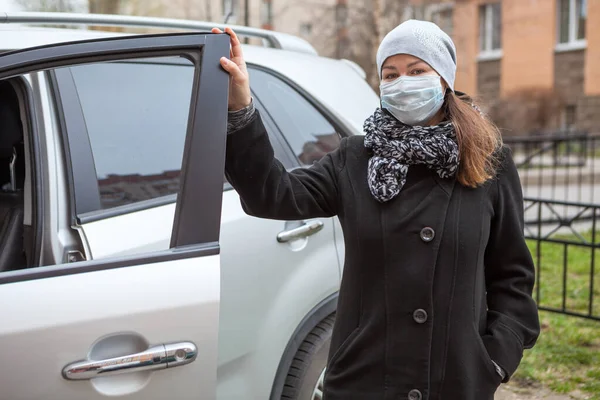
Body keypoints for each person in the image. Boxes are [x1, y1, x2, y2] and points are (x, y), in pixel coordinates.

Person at [213, 19, 540, 400]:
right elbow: (272, 194)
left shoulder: (489, 163)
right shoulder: (354, 158)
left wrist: (494, 360)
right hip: (364, 380)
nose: (403, 83)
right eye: (391, 74)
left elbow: (512, 277)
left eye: (417, 71)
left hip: (455, 382)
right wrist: (241, 110)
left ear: (445, 79)